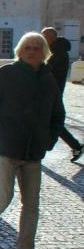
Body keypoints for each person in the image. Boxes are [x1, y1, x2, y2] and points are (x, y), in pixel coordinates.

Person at [0, 32, 64, 249]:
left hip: (33, 153)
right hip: (6, 148)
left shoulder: (49, 80)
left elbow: (58, 115)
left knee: (31, 205)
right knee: (3, 198)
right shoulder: (7, 74)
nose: (32, 51)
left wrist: (49, 140)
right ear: (20, 50)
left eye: (37, 47)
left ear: (44, 52)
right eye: (28, 47)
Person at [41, 27, 83, 162]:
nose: (44, 39)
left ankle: (76, 145)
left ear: (53, 37)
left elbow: (46, 70)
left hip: (53, 92)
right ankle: (75, 145)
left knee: (51, 121)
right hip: (51, 91)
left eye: (45, 36)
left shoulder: (58, 53)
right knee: (49, 120)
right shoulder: (55, 51)